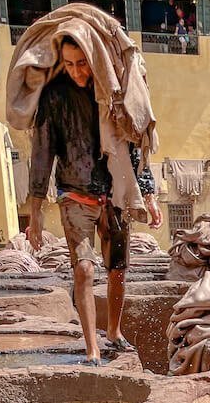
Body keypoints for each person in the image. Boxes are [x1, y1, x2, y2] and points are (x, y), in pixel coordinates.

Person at [27, 35, 162, 365]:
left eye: (82, 63)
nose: (77, 71)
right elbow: (42, 153)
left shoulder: (111, 92)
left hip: (114, 194)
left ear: (94, 59)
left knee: (117, 270)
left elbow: (133, 143)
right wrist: (35, 211)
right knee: (84, 269)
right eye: (70, 64)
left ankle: (113, 331)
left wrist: (148, 192)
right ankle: (92, 348)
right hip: (75, 195)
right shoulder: (55, 97)